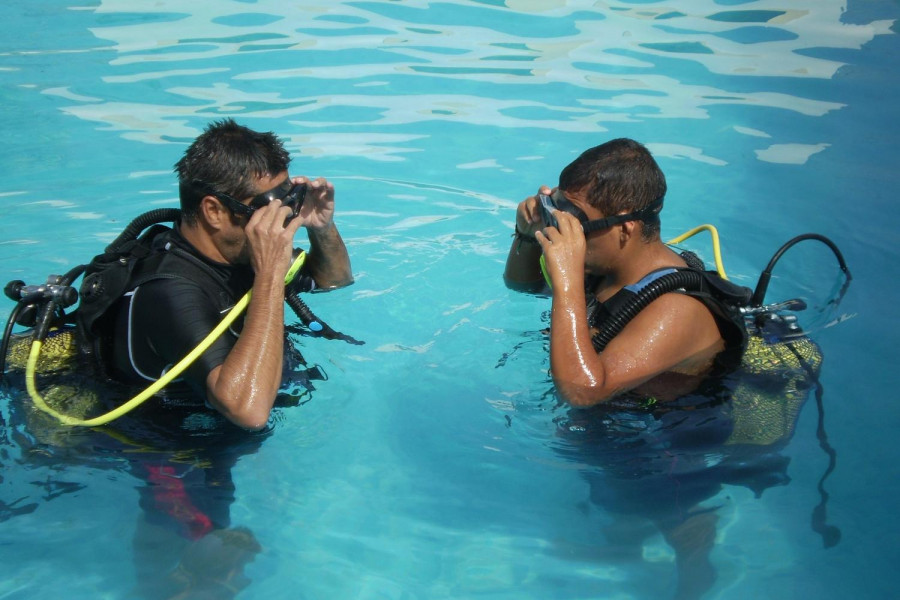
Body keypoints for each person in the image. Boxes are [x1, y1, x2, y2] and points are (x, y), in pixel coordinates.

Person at [103, 118, 353, 430]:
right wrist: (270, 276)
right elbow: (248, 412)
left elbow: (334, 280)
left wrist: (321, 227)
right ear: (215, 212)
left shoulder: (240, 250)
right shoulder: (167, 292)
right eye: (269, 205)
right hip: (165, 447)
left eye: (290, 196)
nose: (285, 214)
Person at [504, 138, 744, 407]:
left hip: (659, 438)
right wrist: (526, 235)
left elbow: (583, 393)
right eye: (556, 212)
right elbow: (522, 285)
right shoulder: (605, 266)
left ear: (625, 228)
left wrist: (568, 283)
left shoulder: (676, 311)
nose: (562, 231)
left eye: (576, 222)